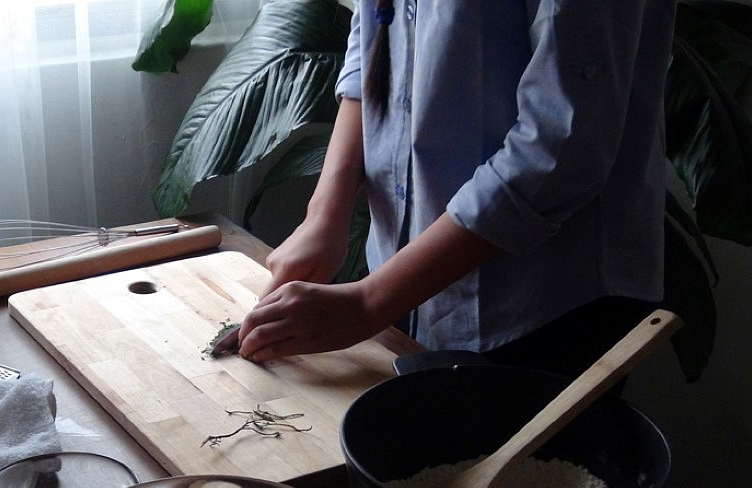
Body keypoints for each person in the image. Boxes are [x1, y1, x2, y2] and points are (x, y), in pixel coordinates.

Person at [234, 0, 676, 380]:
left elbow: (561, 141)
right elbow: (374, 31)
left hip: (550, 310)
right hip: (410, 293)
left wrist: (369, 302)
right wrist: (324, 214)